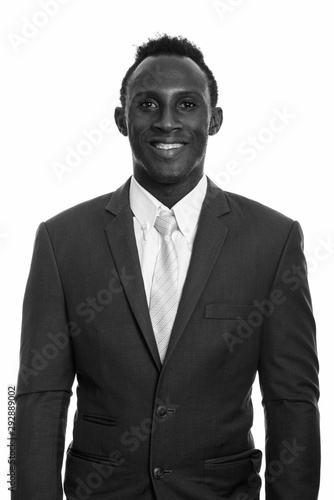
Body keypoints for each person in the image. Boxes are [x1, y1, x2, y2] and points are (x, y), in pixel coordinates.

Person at [13, 34, 320, 500]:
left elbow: (292, 403)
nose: (168, 122)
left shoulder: (271, 241)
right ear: (122, 119)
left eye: (188, 104)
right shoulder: (62, 241)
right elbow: (38, 401)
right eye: (148, 104)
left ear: (214, 120)